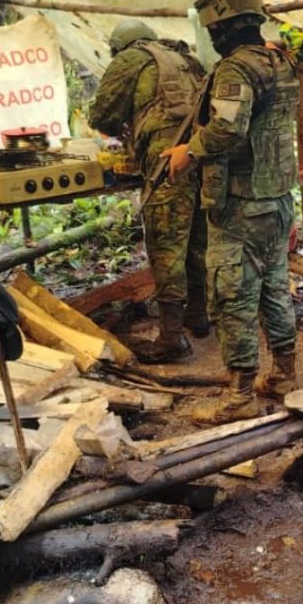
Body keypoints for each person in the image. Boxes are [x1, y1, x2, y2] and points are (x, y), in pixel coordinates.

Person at [161, 0, 300, 424]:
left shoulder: (236, 69)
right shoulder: (280, 61)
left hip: (240, 204)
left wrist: (188, 153)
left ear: (220, 26)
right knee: (275, 289)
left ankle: (239, 397)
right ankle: (283, 374)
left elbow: (227, 130)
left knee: (233, 298)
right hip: (276, 199)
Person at [90, 19, 208, 363]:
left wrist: (124, 128)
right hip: (201, 154)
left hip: (166, 160)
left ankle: (171, 338)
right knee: (197, 240)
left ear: (118, 46)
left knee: (166, 246)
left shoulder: (131, 59)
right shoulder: (183, 56)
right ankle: (198, 315)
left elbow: (102, 114)